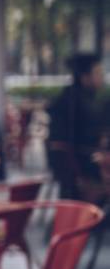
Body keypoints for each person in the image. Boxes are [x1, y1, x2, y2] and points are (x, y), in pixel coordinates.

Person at [46, 53, 107, 200]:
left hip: (71, 169)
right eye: (98, 73)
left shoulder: (69, 96)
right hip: (84, 169)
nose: (102, 77)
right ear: (85, 77)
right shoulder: (79, 103)